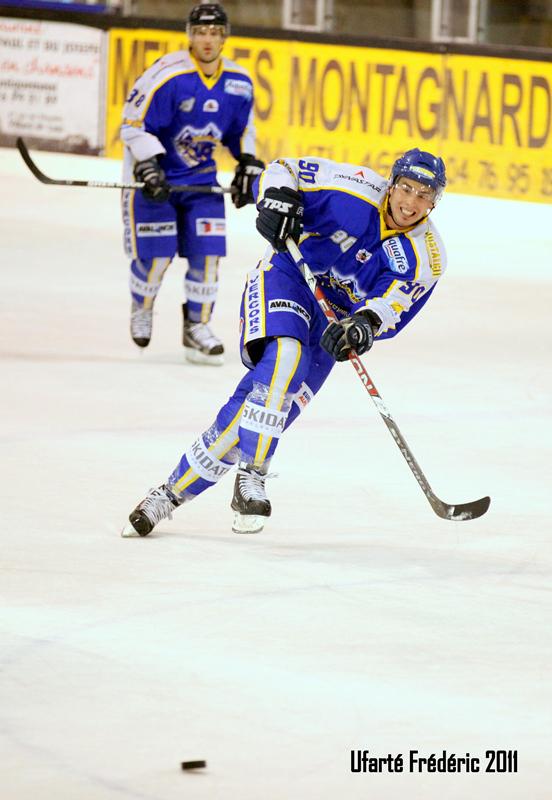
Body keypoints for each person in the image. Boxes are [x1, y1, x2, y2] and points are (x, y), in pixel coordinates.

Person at [121, 148, 447, 537]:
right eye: (406, 188)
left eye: (424, 195)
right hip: (287, 278)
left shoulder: (427, 255)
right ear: (391, 184)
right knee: (286, 358)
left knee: (258, 415)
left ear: (434, 202)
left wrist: (363, 325)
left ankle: (167, 495)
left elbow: (392, 306)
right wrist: (275, 197)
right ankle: (253, 475)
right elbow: (284, 169)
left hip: (333, 323)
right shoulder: (351, 188)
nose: (411, 202)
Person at [120, 3, 264, 365]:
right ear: (189, 35)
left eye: (215, 33)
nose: (207, 40)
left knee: (208, 257)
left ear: (225, 37)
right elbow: (132, 125)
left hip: (201, 182)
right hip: (158, 181)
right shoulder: (168, 75)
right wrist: (148, 165)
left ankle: (197, 325)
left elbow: (242, 130)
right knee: (156, 259)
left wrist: (248, 163)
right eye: (200, 32)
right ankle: (142, 307)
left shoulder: (238, 83)